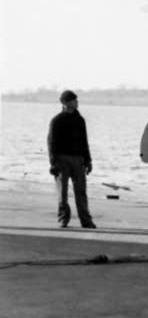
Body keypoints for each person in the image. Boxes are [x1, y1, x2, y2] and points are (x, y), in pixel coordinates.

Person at [48, 90, 96, 228]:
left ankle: (86, 220)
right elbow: (51, 143)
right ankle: (64, 219)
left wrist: (88, 161)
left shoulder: (80, 120)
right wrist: (53, 163)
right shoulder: (57, 121)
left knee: (81, 192)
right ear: (66, 103)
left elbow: (84, 142)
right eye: (74, 100)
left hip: (79, 160)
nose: (77, 102)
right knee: (62, 193)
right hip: (62, 160)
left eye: (76, 100)